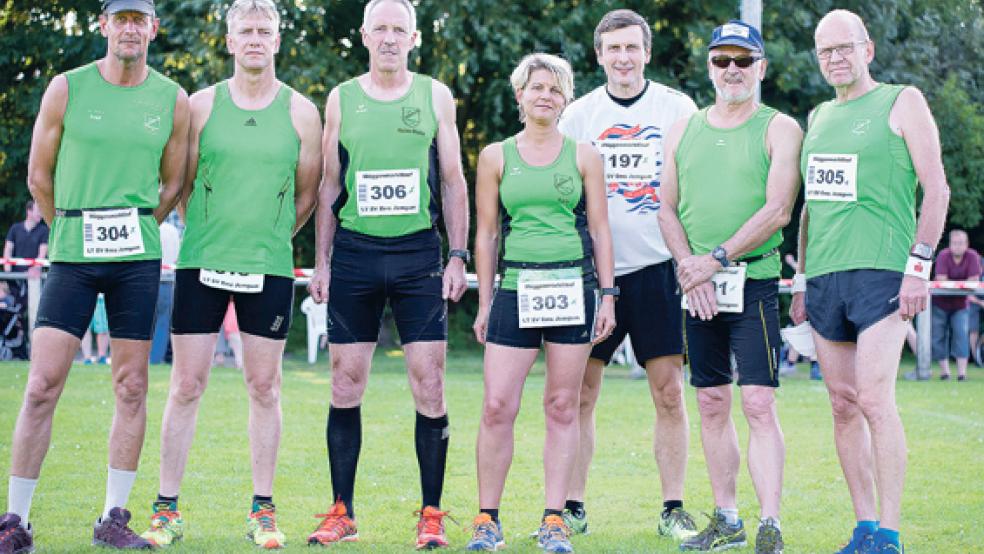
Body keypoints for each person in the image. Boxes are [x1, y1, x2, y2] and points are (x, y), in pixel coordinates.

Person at [0, 0, 189, 550]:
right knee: (40, 386)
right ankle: (15, 523)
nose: (130, 29)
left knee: (131, 385)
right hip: (73, 253)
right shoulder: (67, 88)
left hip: (136, 255)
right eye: (120, 18)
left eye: (140, 19)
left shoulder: (172, 99)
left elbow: (171, 185)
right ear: (104, 25)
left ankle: (114, 519)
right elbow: (40, 175)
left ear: (152, 28)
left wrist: (131, 227)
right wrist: (74, 231)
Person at [138, 0, 321, 548]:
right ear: (230, 40)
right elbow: (180, 181)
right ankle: (166, 510)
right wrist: (211, 233)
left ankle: (263, 511)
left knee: (264, 387)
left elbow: (307, 195)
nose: (256, 39)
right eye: (246, 30)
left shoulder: (302, 113)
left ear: (277, 41)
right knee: (186, 384)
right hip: (201, 261)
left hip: (267, 267)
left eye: (266, 30)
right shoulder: (198, 106)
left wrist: (265, 238)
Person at [304, 0, 469, 549]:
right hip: (354, 254)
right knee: (346, 381)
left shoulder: (434, 95)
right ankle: (342, 511)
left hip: (418, 254)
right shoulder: (342, 98)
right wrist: (322, 262)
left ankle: (431, 512)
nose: (390, 38)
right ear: (365, 35)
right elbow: (329, 186)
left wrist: (458, 254)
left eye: (400, 28)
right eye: (382, 29)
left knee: (430, 381)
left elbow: (452, 181)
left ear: (414, 36)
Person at [791, 9, 950, 553]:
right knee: (840, 402)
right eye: (825, 50)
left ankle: (890, 533)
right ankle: (862, 527)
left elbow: (937, 189)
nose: (834, 57)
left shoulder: (902, 100)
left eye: (844, 47)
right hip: (825, 278)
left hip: (884, 271)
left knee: (875, 399)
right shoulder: (816, 117)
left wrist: (919, 265)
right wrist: (801, 277)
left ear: (868, 49)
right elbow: (811, 206)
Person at [658, 19, 801, 554]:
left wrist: (715, 259)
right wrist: (688, 266)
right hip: (697, 286)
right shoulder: (684, 129)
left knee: (759, 403)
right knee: (712, 402)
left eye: (744, 60)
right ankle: (728, 518)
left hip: (754, 282)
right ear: (710, 67)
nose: (733, 70)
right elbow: (665, 208)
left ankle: (770, 524)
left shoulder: (779, 127)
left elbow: (778, 209)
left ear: (761, 67)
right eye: (723, 60)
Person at [556, 9, 699, 540]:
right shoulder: (579, 116)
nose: (623, 57)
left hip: (659, 269)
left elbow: (696, 185)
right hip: (594, 274)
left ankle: (673, 509)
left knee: (668, 392)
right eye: (613, 49)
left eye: (631, 48)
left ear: (646, 52)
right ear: (599, 55)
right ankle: (570, 505)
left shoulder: (677, 108)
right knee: (579, 395)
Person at [465, 53, 616, 554]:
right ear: (520, 95)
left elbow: (599, 230)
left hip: (573, 287)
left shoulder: (584, 155)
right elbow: (486, 234)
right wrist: (485, 302)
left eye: (555, 88)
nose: (545, 95)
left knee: (561, 405)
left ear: (566, 97)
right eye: (536, 87)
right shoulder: (494, 156)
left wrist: (608, 295)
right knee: (496, 405)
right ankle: (488, 519)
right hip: (514, 290)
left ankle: (554, 519)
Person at [929, 229, 980, 381]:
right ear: (950, 244)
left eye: (960, 243)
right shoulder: (943, 255)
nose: (957, 246)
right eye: (954, 243)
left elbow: (974, 282)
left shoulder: (972, 256)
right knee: (939, 337)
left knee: (961, 336)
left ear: (967, 244)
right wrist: (963, 284)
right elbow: (941, 280)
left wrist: (952, 284)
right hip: (940, 303)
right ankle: (945, 373)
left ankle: (961, 374)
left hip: (961, 305)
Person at [3, 200, 49, 306]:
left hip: (33, 276)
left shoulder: (44, 230)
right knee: (11, 304)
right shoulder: (15, 228)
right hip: (15, 277)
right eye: (38, 210)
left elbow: (42, 253)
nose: (41, 214)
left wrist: (35, 269)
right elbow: (8, 250)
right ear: (29, 211)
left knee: (32, 305)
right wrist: (8, 272)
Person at [149, 215, 180, 364]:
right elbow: (177, 256)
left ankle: (147, 357)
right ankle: (156, 358)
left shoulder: (150, 228)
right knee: (162, 322)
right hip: (167, 280)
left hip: (149, 279)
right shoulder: (173, 231)